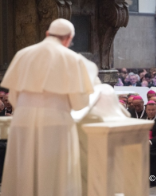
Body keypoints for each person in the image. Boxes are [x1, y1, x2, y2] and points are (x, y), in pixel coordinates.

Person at [1, 18, 94, 196]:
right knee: (54, 174)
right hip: (55, 122)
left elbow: (13, 97)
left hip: (23, 121)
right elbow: (79, 103)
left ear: (47, 34)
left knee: (23, 170)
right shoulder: (72, 58)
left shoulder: (23, 54)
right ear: (68, 38)